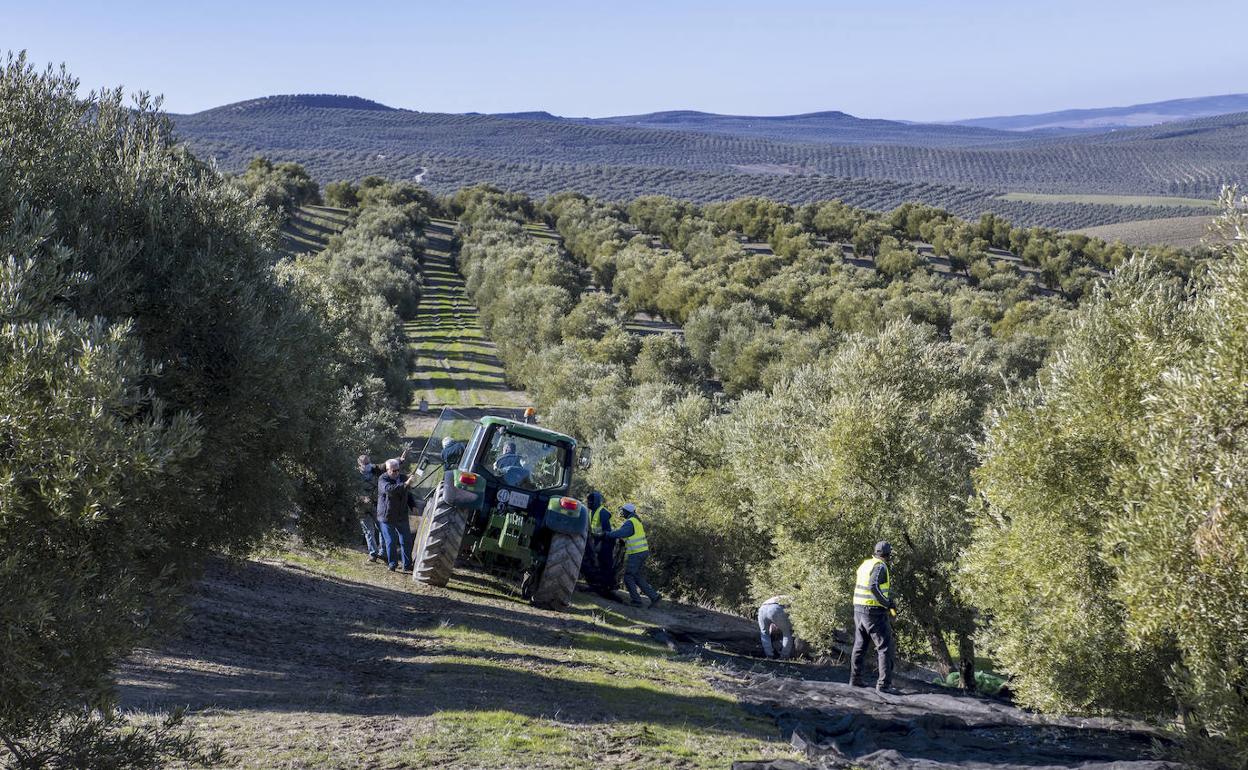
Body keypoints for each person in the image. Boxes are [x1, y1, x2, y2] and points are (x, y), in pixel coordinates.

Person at [850, 541, 899, 695]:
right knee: (884, 647)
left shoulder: (866, 564)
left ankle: (855, 679)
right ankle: (884, 685)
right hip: (873, 612)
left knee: (860, 645)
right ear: (888, 554)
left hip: (858, 609)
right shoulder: (880, 566)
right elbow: (873, 586)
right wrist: (886, 603)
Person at [357, 443, 409, 564]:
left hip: (376, 505)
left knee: (382, 529)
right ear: (359, 464)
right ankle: (373, 554)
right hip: (361, 508)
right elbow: (350, 489)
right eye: (365, 464)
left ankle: (383, 553)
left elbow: (386, 465)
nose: (367, 466)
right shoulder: (353, 475)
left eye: (368, 463)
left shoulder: (374, 469)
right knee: (368, 531)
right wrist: (360, 498)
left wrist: (399, 460)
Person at [602, 503, 661, 607]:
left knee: (628, 577)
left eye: (623, 511)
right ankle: (654, 597)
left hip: (637, 553)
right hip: (642, 552)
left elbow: (621, 533)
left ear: (627, 512)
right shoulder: (636, 521)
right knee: (636, 576)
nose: (622, 512)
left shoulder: (630, 522)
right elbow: (629, 535)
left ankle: (637, 601)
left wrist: (607, 534)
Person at [377, 458, 415, 572]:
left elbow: (407, 493)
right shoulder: (383, 479)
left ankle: (407, 565)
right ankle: (392, 564)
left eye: (398, 470)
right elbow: (389, 490)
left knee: (406, 540)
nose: (396, 473)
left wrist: (413, 505)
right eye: (393, 471)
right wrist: (405, 484)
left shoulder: (402, 478)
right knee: (391, 541)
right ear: (387, 470)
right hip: (387, 516)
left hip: (401, 514)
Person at [582, 491, 616, 597]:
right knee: (595, 563)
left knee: (605, 564)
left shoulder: (603, 512)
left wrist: (598, 538)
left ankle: (608, 587)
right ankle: (597, 585)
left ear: (595, 502)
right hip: (597, 541)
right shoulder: (591, 512)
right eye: (588, 501)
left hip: (606, 542)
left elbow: (607, 531)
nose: (588, 504)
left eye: (590, 502)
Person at [757, 595, 796, 659]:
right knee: (787, 633)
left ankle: (769, 655)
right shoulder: (795, 599)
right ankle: (784, 656)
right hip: (776, 608)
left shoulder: (782, 596)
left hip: (762, 608)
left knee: (764, 633)